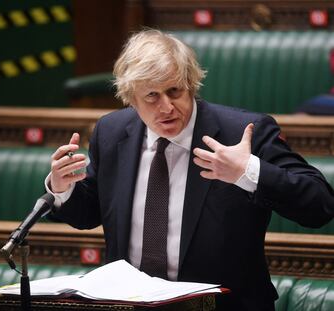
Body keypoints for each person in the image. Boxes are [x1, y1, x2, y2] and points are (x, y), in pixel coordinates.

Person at [45, 29, 334, 310]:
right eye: (152, 96)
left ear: (191, 85)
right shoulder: (111, 132)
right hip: (129, 303)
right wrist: (63, 187)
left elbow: (319, 204)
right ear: (131, 98)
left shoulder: (242, 133)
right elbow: (89, 213)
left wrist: (248, 171)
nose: (167, 107)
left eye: (174, 91)